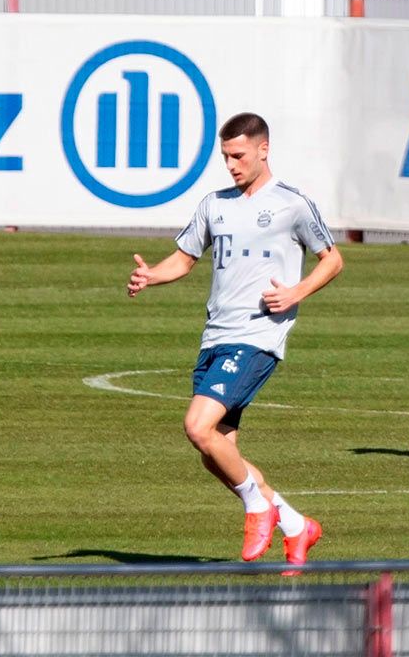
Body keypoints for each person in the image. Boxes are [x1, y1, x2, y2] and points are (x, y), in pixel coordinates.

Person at [126, 112, 344, 569]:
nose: (231, 165)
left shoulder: (292, 204)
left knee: (197, 426)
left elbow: (333, 260)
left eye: (239, 155)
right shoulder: (214, 204)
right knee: (216, 452)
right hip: (215, 338)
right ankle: (297, 526)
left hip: (257, 336)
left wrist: (295, 292)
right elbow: (183, 260)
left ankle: (257, 507)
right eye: (226, 157)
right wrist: (151, 276)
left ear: (264, 150)